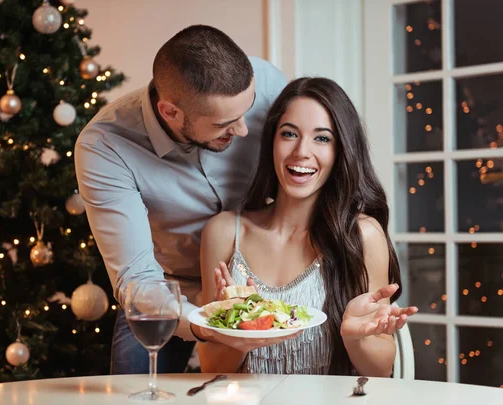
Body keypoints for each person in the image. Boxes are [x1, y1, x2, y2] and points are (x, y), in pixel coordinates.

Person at [74, 25, 288, 374]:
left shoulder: (264, 81)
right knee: (134, 393)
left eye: (247, 112)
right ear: (171, 112)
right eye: (225, 124)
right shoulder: (105, 146)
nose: (245, 130)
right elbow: (139, 279)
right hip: (169, 292)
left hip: (264, 281)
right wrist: (211, 324)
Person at [194, 77, 418, 376]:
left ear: (341, 151)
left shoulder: (362, 236)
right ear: (272, 142)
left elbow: (380, 370)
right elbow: (212, 367)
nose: (301, 151)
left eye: (322, 138)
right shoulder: (223, 232)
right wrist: (237, 330)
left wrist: (354, 338)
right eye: (289, 134)